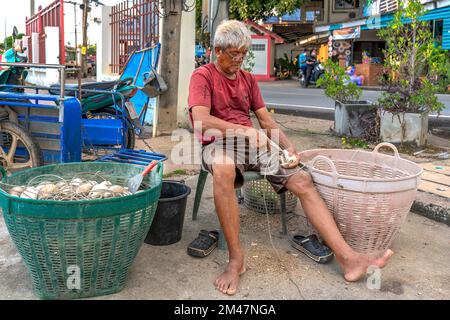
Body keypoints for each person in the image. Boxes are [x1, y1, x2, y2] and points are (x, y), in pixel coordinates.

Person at [188, 20, 393, 296]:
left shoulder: (247, 80)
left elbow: (265, 119)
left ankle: (349, 258)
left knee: (303, 179)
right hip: (219, 142)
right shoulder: (203, 76)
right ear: (218, 51)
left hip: (253, 144)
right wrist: (246, 132)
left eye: (243, 54)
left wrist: (288, 148)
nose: (239, 60)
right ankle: (236, 260)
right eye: (233, 54)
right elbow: (200, 121)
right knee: (224, 169)